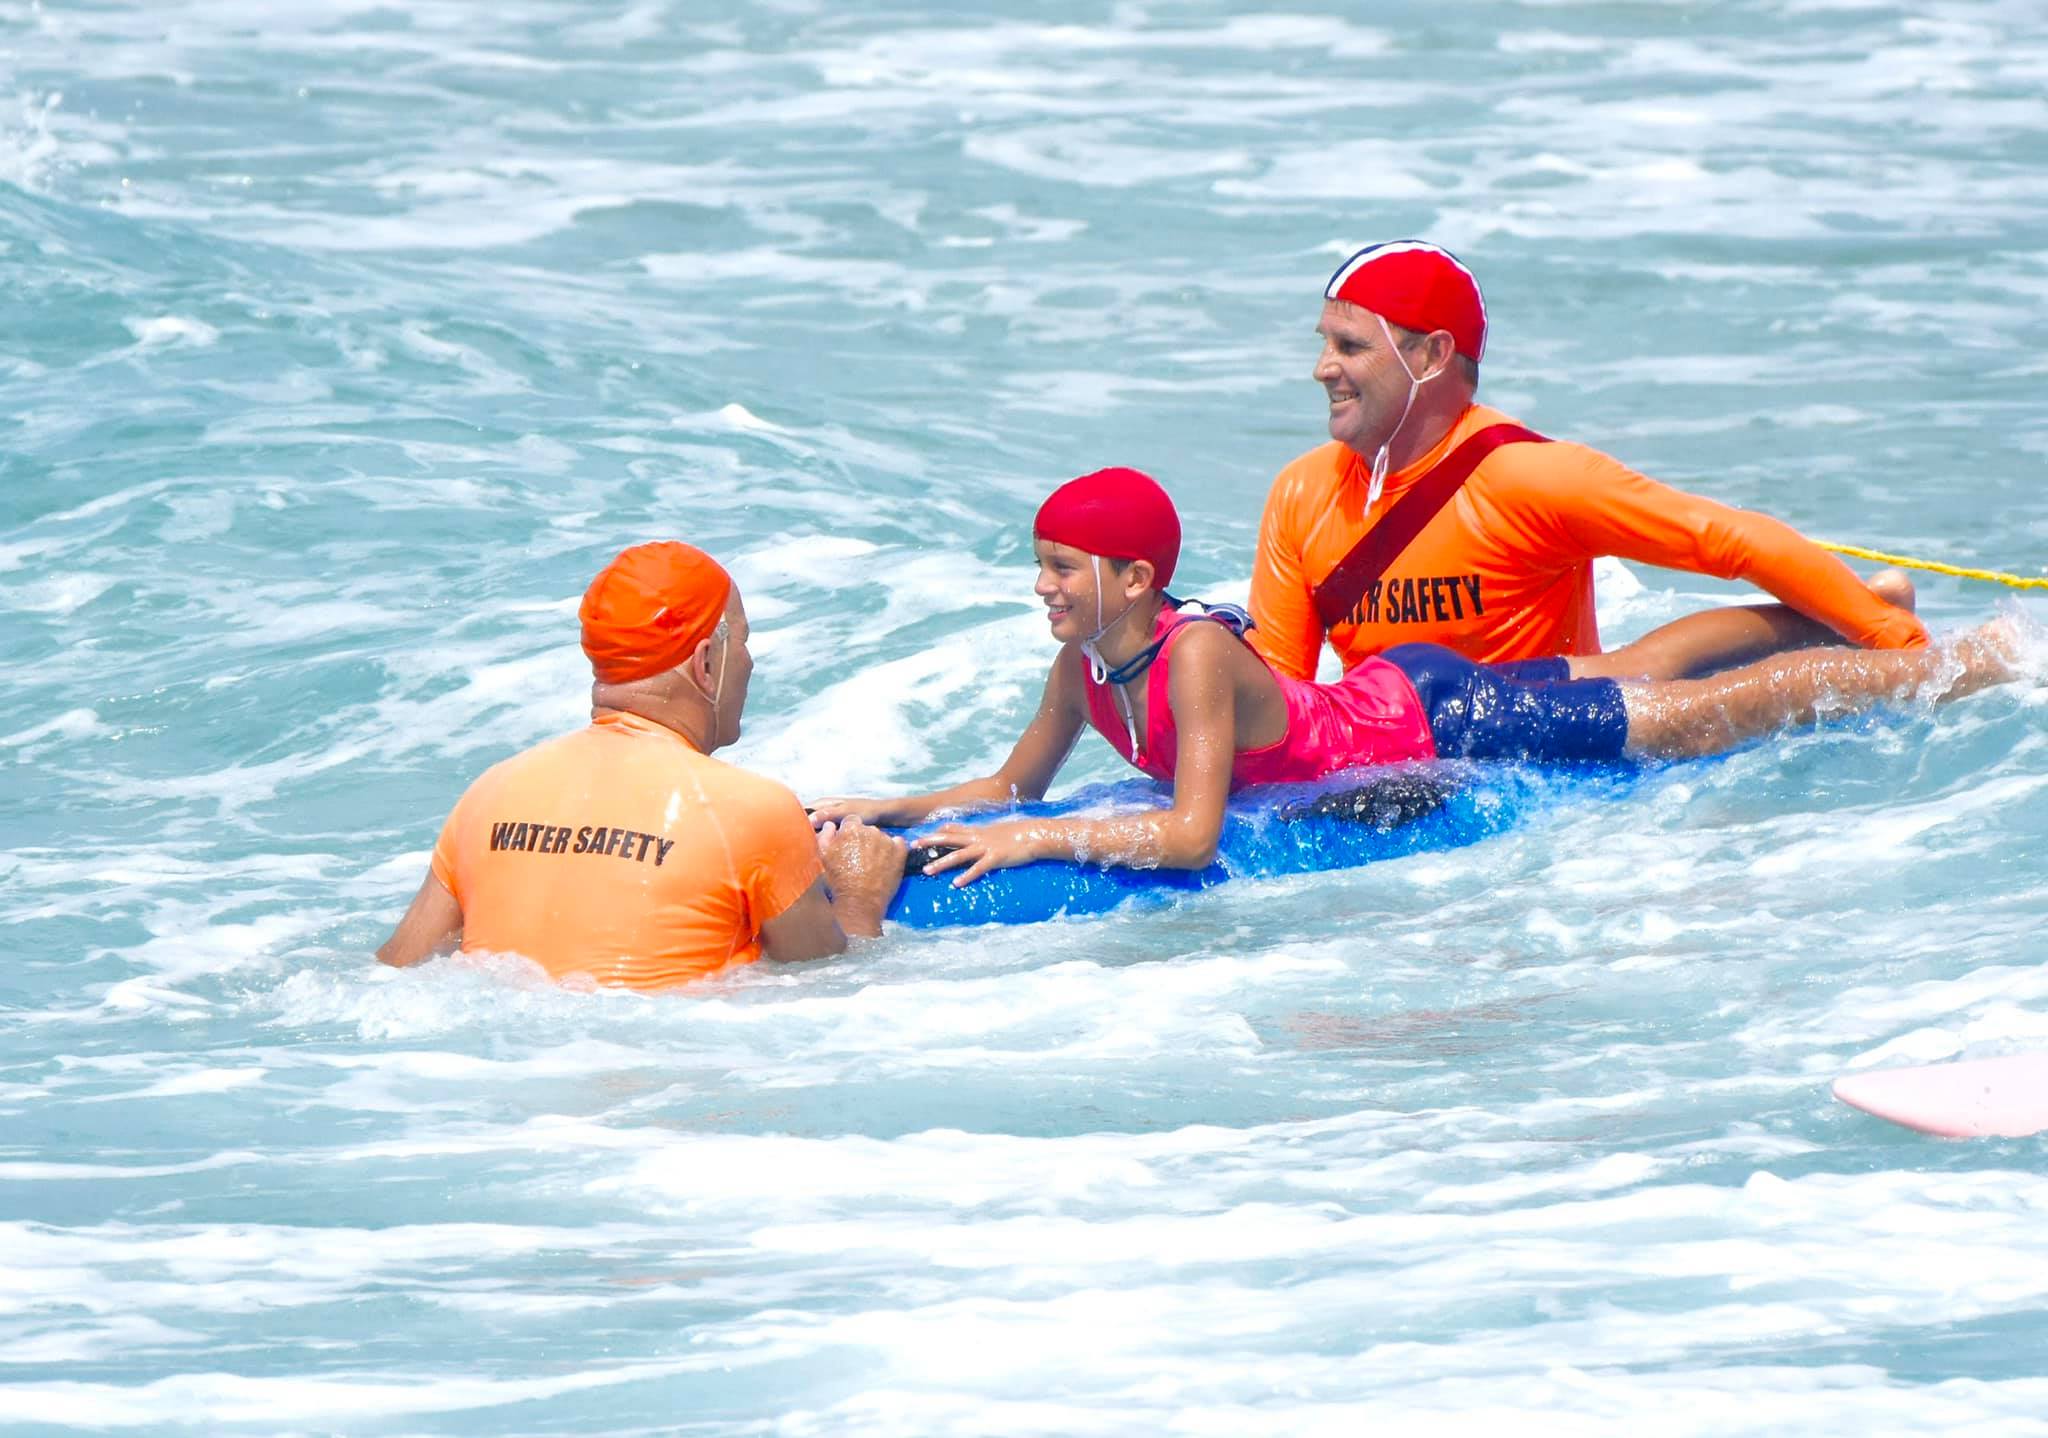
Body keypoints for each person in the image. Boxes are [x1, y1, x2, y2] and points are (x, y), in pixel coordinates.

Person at [813, 468, 2015, 887]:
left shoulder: (1191, 657)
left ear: (1136, 577)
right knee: (1621, 669)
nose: (1043, 588)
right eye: (1040, 567)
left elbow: (1186, 836)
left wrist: (1036, 846)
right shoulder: (1084, 667)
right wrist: (883, 807)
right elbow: (1007, 779)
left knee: (1682, 722)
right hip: (1394, 692)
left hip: (1437, 713)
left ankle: (1960, 660)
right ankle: (1840, 609)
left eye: (1063, 569)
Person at [1248, 239, 1932, 686]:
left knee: (1659, 664)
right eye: (1324, 343)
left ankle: (1872, 615)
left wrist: (1903, 649)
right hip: (1411, 750)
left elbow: (1724, 538)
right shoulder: (1302, 494)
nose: (1321, 369)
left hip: (1556, 751)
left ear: (1430, 356)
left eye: (1350, 346)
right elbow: (1279, 688)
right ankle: (1860, 606)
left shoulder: (1527, 478)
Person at [378, 541, 904, 989]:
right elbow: (824, 986)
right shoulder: (751, 809)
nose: (749, 662)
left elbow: (398, 970)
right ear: (705, 664)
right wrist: (860, 899)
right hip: (660, 1082)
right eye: (743, 643)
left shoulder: (491, 793)